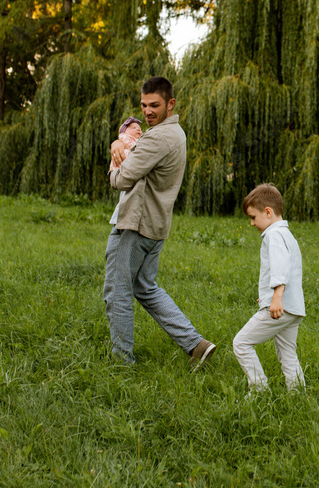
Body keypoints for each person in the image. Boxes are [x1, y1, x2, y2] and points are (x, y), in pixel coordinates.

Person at [104, 76, 216, 370]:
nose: (147, 111)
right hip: (155, 225)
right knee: (145, 287)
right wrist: (120, 144)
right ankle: (196, 345)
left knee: (117, 291)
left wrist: (114, 162)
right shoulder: (176, 133)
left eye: (154, 105)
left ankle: (122, 363)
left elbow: (122, 179)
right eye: (143, 105)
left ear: (170, 103)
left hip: (136, 225)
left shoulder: (157, 138)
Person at [232, 183, 306, 393]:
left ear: (268, 212)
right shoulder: (287, 234)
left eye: (253, 217)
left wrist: (276, 297)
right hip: (293, 308)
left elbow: (280, 267)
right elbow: (289, 269)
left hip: (280, 307)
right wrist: (269, 296)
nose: (252, 223)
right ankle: (298, 393)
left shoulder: (273, 235)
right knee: (288, 353)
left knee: (241, 344)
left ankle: (259, 389)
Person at [108, 117, 142, 226]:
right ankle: (119, 220)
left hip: (128, 171)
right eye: (133, 128)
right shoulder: (126, 139)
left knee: (125, 199)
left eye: (139, 128)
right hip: (125, 169)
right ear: (124, 132)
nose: (138, 129)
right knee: (125, 199)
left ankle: (119, 220)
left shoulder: (140, 140)